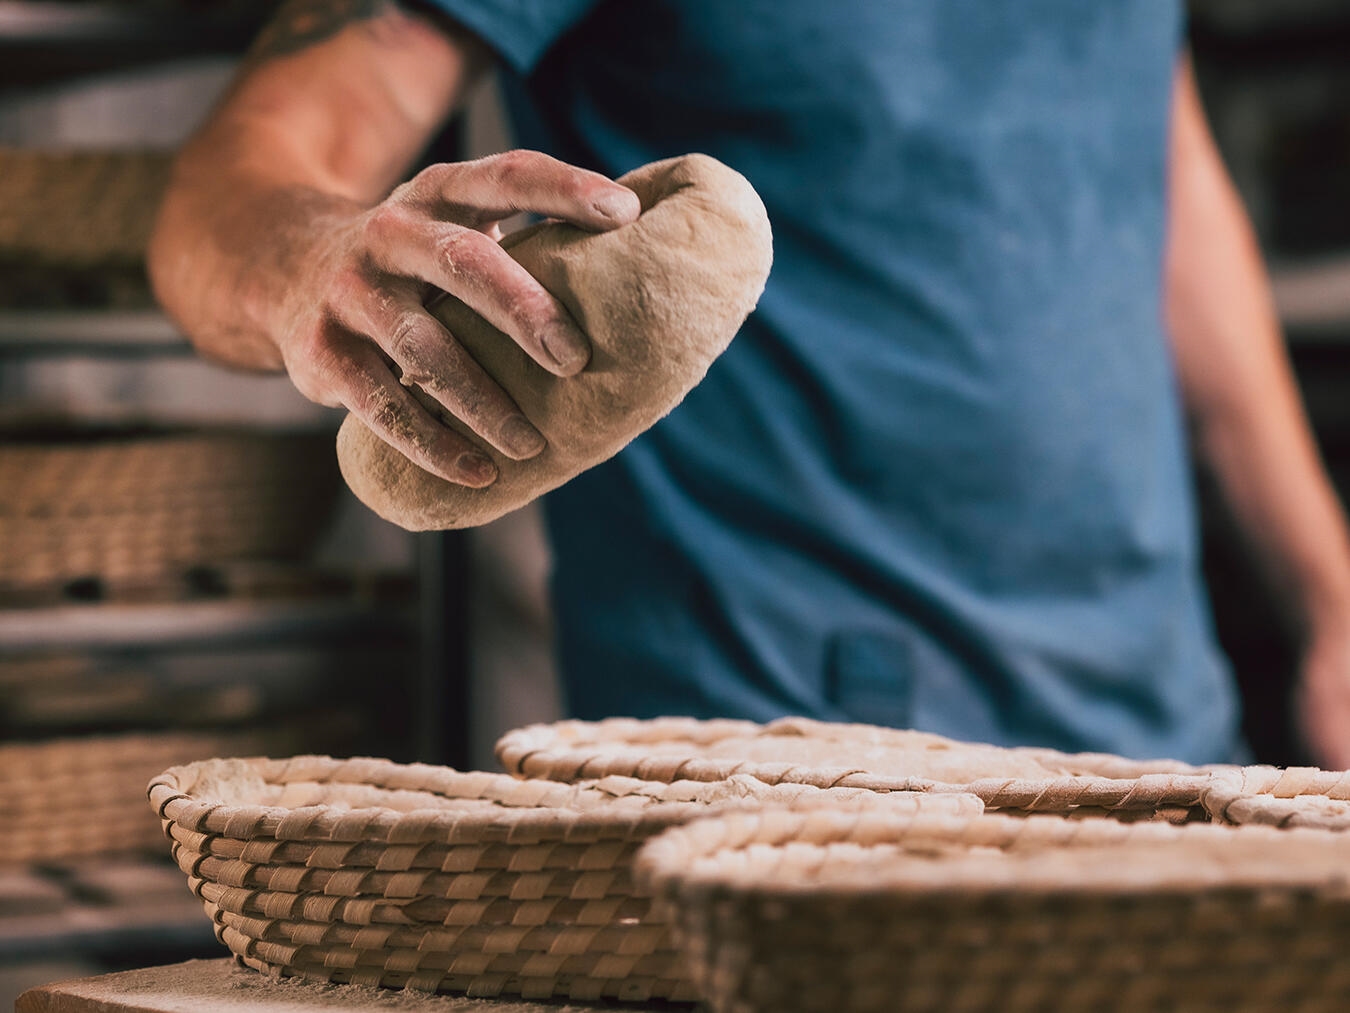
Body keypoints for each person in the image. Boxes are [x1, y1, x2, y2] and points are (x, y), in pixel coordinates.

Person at [148, 0, 1350, 767]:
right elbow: (241, 170)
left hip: (1152, 728)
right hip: (775, 752)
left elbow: (1160, 181)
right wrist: (314, 263)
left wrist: (1330, 599)